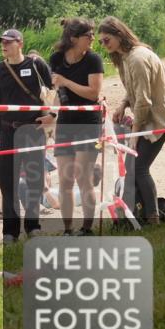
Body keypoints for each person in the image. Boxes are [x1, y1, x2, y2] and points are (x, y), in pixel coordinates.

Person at [99, 17, 165, 224]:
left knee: (139, 168)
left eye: (107, 40)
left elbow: (143, 100)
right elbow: (135, 90)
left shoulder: (138, 58)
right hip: (148, 118)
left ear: (119, 35)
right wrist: (123, 104)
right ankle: (135, 216)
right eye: (101, 42)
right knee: (132, 170)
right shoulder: (126, 57)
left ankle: (153, 218)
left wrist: (135, 133)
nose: (104, 45)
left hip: (159, 119)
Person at [0, 29, 53, 243]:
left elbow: (54, 90)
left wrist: (52, 115)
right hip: (7, 131)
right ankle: (10, 232)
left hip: (33, 130)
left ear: (20, 43)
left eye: (8, 42)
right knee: (8, 182)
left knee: (35, 180)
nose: (3, 45)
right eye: (2, 42)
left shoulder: (36, 65)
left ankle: (33, 226)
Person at [48, 18, 104, 235]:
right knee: (64, 180)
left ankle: (87, 228)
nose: (92, 38)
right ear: (73, 38)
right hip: (66, 122)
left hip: (89, 123)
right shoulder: (56, 59)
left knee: (83, 177)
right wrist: (52, 114)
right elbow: (57, 93)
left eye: (92, 34)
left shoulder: (93, 59)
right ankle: (68, 229)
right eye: (88, 35)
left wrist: (66, 81)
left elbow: (93, 93)